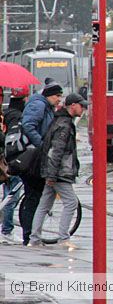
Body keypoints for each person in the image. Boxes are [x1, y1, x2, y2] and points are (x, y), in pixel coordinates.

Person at [29, 94, 86, 248]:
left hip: (53, 170)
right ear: (73, 105)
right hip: (60, 172)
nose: (84, 109)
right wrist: (52, 175)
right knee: (71, 202)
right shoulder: (64, 125)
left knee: (44, 203)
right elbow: (56, 151)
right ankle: (63, 238)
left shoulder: (58, 120)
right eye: (82, 105)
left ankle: (34, 239)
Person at [19, 83, 63, 245]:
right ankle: (29, 235)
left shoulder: (45, 106)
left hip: (36, 157)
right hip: (32, 158)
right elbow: (28, 125)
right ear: (49, 95)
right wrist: (42, 144)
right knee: (33, 196)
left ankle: (30, 234)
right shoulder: (39, 105)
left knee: (34, 196)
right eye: (57, 96)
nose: (59, 99)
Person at [1, 89, 28, 244]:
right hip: (12, 159)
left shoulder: (7, 113)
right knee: (12, 194)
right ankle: (7, 230)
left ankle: (5, 228)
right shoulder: (17, 117)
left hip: (5, 158)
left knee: (8, 193)